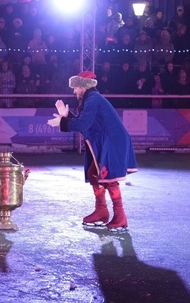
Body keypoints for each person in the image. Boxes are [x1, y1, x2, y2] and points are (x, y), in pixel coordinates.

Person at [47, 71, 137, 232]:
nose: (74, 91)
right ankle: (101, 211)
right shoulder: (91, 99)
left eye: (75, 87)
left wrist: (62, 121)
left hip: (112, 141)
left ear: (82, 86)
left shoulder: (93, 100)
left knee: (108, 177)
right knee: (93, 173)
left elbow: (82, 124)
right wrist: (66, 116)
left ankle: (120, 216)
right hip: (108, 140)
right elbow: (85, 122)